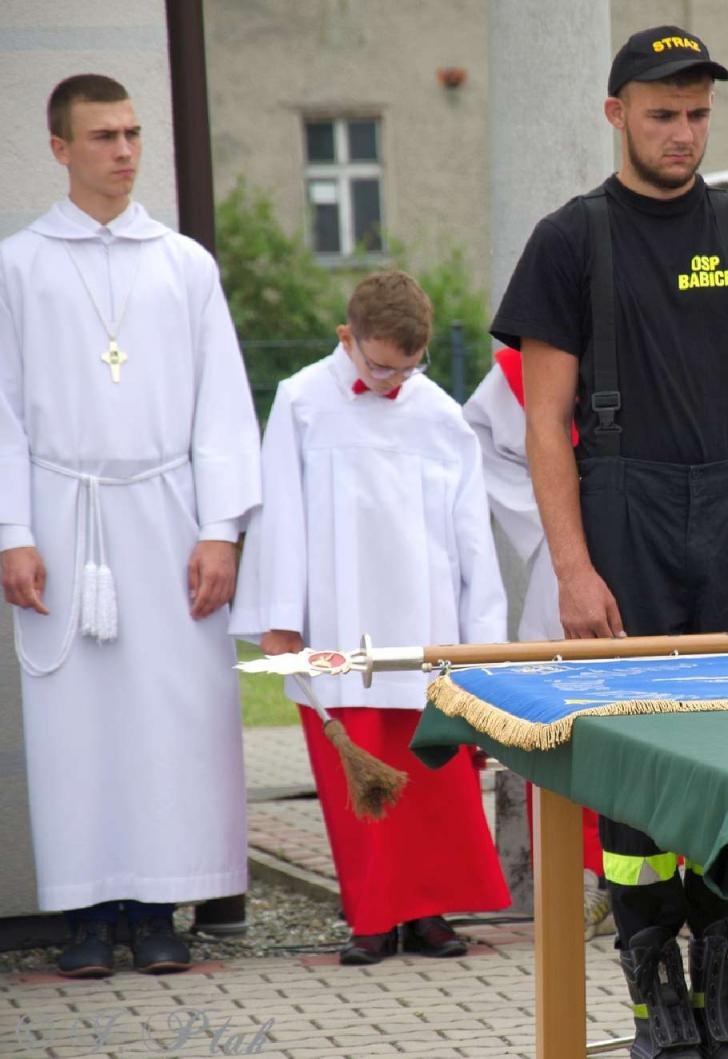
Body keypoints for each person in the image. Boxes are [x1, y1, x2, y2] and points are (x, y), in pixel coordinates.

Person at [491, 25, 728, 1058]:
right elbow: (541, 423)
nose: (682, 133)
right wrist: (572, 568)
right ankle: (654, 986)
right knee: (638, 767)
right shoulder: (568, 242)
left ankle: (725, 972)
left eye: (695, 114)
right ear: (615, 115)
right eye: (661, 114)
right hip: (622, 518)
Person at [0, 74, 262, 977]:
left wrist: (221, 527)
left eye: (134, 133)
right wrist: (11, 531)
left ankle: (159, 907)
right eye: (104, 136)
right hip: (61, 517)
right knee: (76, 718)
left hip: (167, 516)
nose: (124, 150)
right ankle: (86, 912)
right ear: (61, 148)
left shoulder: (183, 263)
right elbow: (1, 409)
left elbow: (224, 403)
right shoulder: (19, 265)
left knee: (172, 714)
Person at [230, 271, 511, 965]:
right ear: (346, 337)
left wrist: (483, 645)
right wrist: (280, 617)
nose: (391, 382)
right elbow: (280, 516)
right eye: (379, 366)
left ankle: (430, 911)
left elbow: (472, 534)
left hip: (425, 626)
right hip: (337, 625)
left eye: (406, 369)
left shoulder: (440, 414)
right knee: (359, 781)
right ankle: (373, 916)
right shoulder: (300, 403)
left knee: (432, 781)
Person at [462, 348, 615, 940]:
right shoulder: (525, 366)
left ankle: (667, 888)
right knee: (566, 728)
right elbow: (482, 438)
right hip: (571, 562)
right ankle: (585, 881)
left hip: (664, 536)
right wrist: (550, 517)